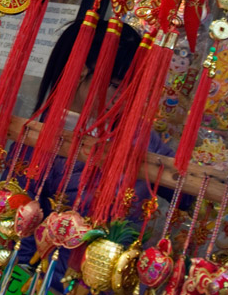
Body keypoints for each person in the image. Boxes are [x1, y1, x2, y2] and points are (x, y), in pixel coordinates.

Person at [12, 18, 183, 294]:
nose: (125, 98)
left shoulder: (139, 136)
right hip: (38, 279)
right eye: (117, 85)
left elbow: (185, 191)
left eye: (132, 88)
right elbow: (19, 218)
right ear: (79, 72)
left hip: (106, 283)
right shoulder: (37, 134)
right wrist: (22, 274)